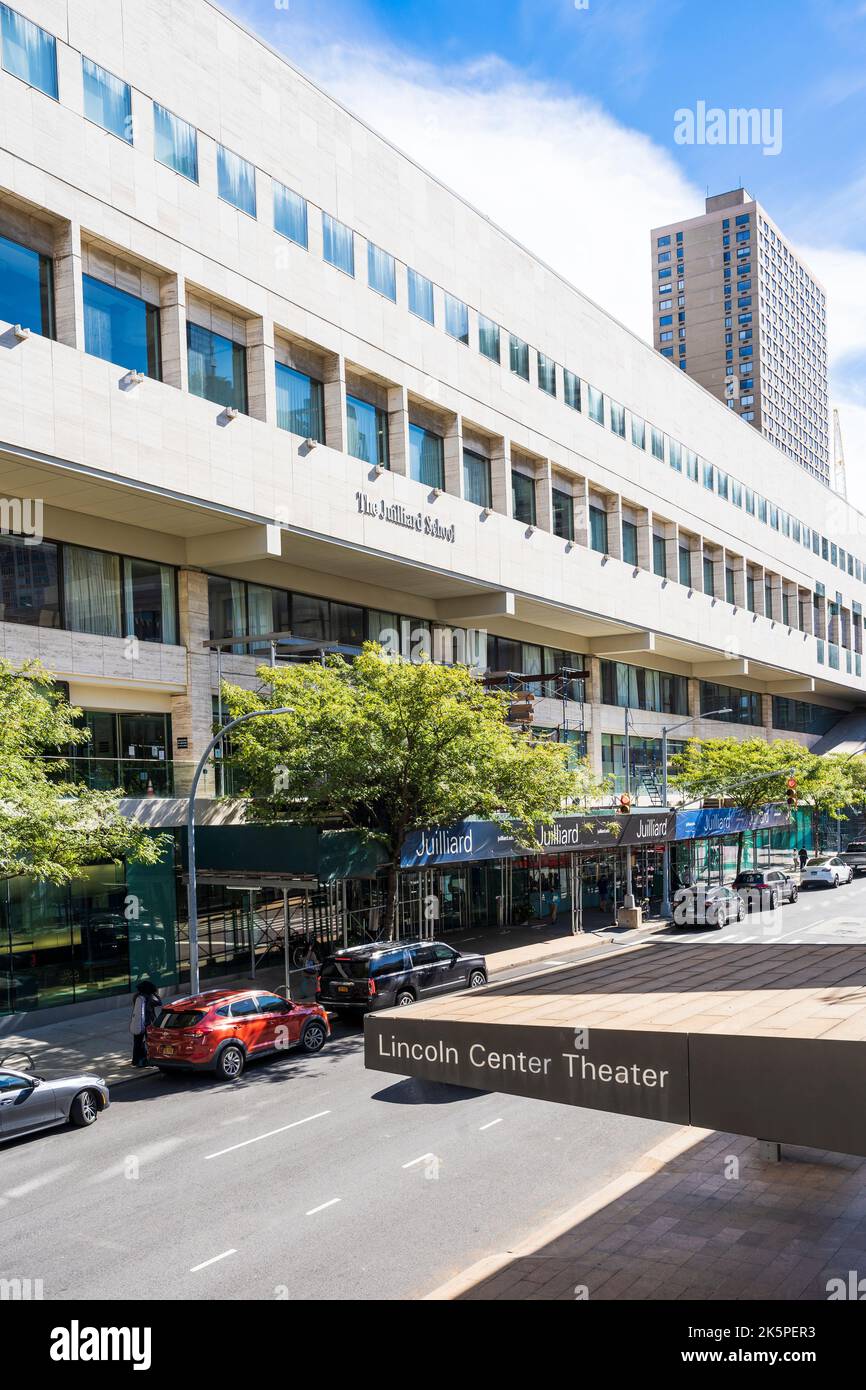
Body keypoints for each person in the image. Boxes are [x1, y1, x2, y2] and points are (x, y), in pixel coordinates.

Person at [130, 979, 161, 1068]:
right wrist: (155, 994)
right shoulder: (149, 998)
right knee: (150, 1042)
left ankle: (135, 1060)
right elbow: (159, 1003)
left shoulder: (136, 996)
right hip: (148, 1023)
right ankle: (148, 1060)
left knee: (137, 1042)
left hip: (138, 1021)